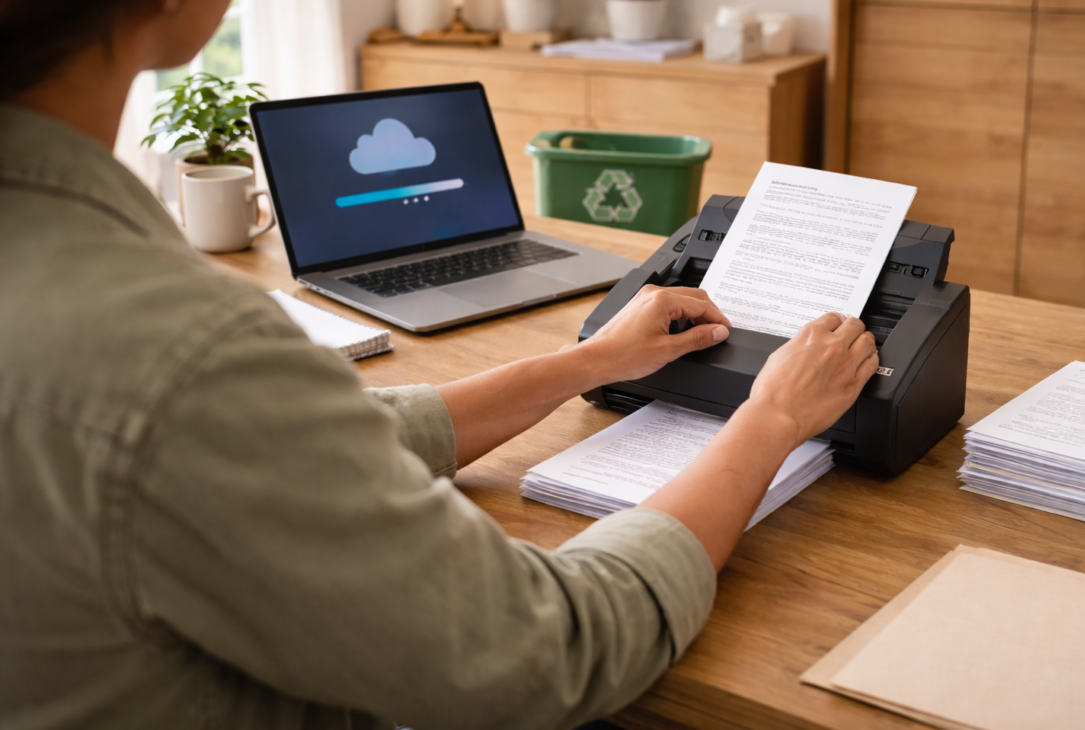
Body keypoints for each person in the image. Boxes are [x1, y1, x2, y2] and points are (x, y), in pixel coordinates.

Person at [0, 1, 879, 728]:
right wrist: (770, 422)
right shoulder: (185, 358)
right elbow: (555, 647)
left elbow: (305, 445)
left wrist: (589, 362)